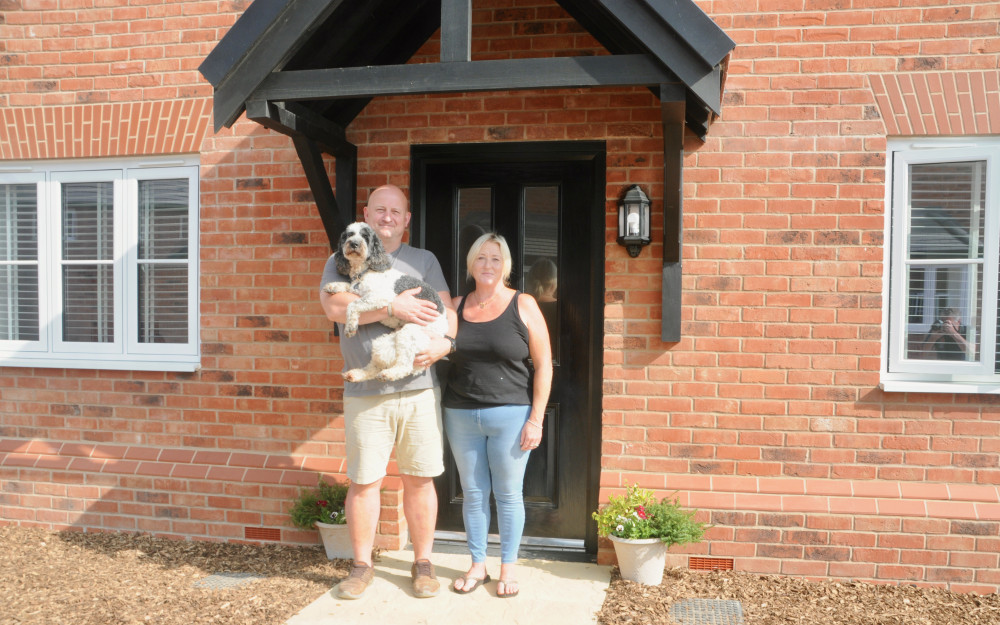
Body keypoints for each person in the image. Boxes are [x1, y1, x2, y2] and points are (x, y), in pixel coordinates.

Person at [319, 184, 457, 600]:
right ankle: (361, 566)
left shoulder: (424, 260)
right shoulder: (342, 256)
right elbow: (335, 308)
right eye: (380, 210)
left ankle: (423, 563)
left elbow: (447, 311)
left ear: (407, 219)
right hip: (367, 392)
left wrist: (446, 344)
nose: (387, 217)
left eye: (396, 211)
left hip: (418, 388)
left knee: (419, 478)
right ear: (366, 213)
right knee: (364, 482)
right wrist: (392, 309)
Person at [442, 233, 553, 598]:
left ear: (505, 266)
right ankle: (477, 565)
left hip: (510, 414)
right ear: (471, 264)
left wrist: (536, 418)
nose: (488, 265)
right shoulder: (456, 306)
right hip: (460, 413)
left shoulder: (524, 304)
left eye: (495, 258)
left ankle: (508, 567)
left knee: (508, 494)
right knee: (474, 494)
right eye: (481, 258)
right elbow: (433, 347)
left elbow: (544, 366)